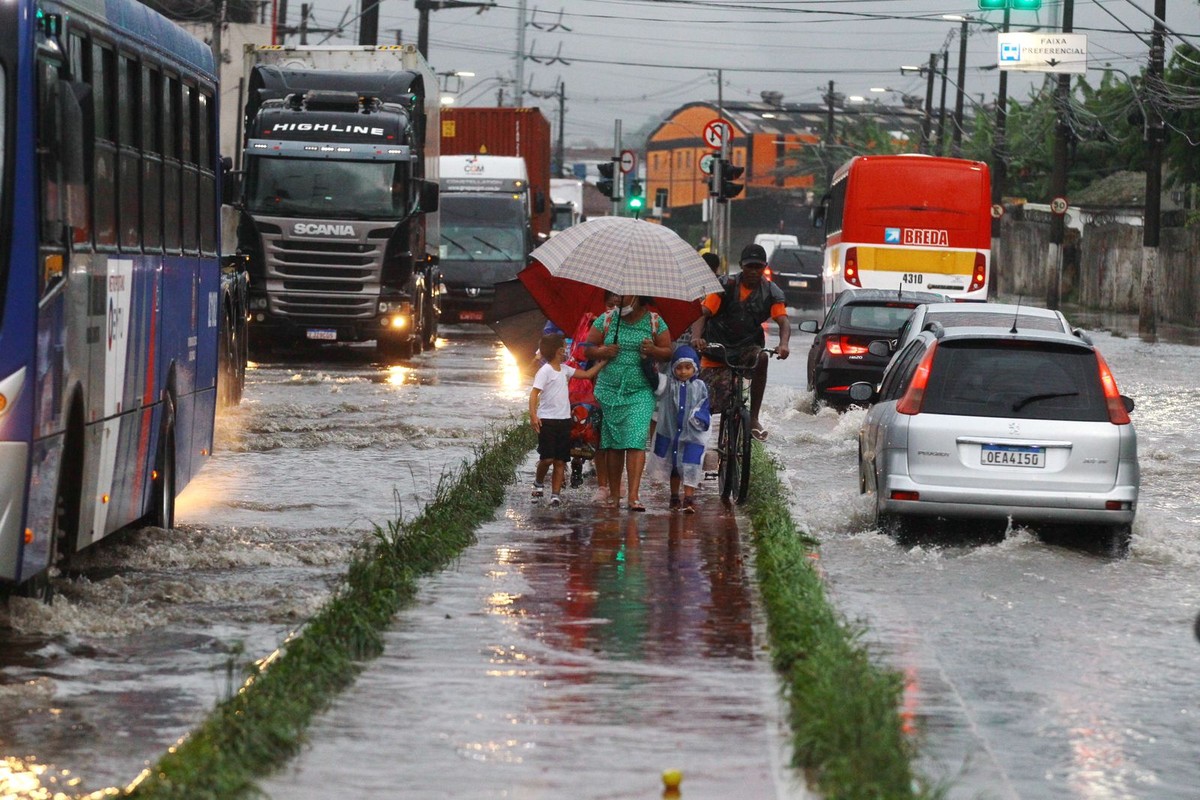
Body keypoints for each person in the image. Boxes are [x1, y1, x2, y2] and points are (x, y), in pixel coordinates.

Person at [688, 242, 791, 440]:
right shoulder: (725, 286)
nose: (753, 271)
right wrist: (696, 338)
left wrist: (784, 344)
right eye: (749, 266)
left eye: (758, 267)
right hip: (717, 349)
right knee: (706, 403)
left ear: (764, 267)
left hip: (747, 347)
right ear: (741, 265)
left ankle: (753, 417)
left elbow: (783, 321)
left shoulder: (771, 291)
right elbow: (703, 313)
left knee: (762, 357)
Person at [586, 295, 673, 512]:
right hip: (609, 391)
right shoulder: (606, 320)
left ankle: (633, 496)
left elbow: (667, 352)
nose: (620, 302)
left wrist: (653, 350)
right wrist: (602, 351)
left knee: (635, 440)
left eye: (626, 298)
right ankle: (614, 495)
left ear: (638, 298)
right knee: (613, 443)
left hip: (640, 391)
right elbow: (587, 347)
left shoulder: (654, 321)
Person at [529, 332, 604, 506]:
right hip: (547, 421)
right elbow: (534, 394)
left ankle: (555, 494)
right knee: (547, 458)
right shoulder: (545, 371)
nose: (567, 351)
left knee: (560, 460)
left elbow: (586, 374)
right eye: (565, 348)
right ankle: (538, 483)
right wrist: (533, 415)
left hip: (564, 421)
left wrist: (603, 362)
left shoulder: (566, 370)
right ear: (559, 351)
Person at [650, 345, 711, 513]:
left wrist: (698, 418)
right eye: (679, 368)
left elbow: (705, 405)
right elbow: (654, 380)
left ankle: (689, 499)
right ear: (673, 368)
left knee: (691, 465)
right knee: (674, 466)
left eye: (688, 367)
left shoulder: (700, 386)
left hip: (693, 435)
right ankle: (675, 496)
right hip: (671, 434)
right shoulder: (668, 385)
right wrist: (647, 359)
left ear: (695, 368)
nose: (683, 372)